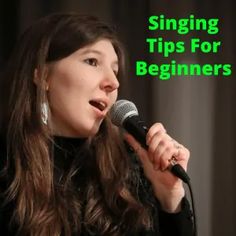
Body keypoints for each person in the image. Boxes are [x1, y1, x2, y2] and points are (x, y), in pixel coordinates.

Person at [0, 13, 193, 235]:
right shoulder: (7, 165)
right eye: (92, 61)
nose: (113, 82)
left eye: (115, 70)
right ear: (43, 75)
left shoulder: (129, 168)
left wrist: (169, 196)